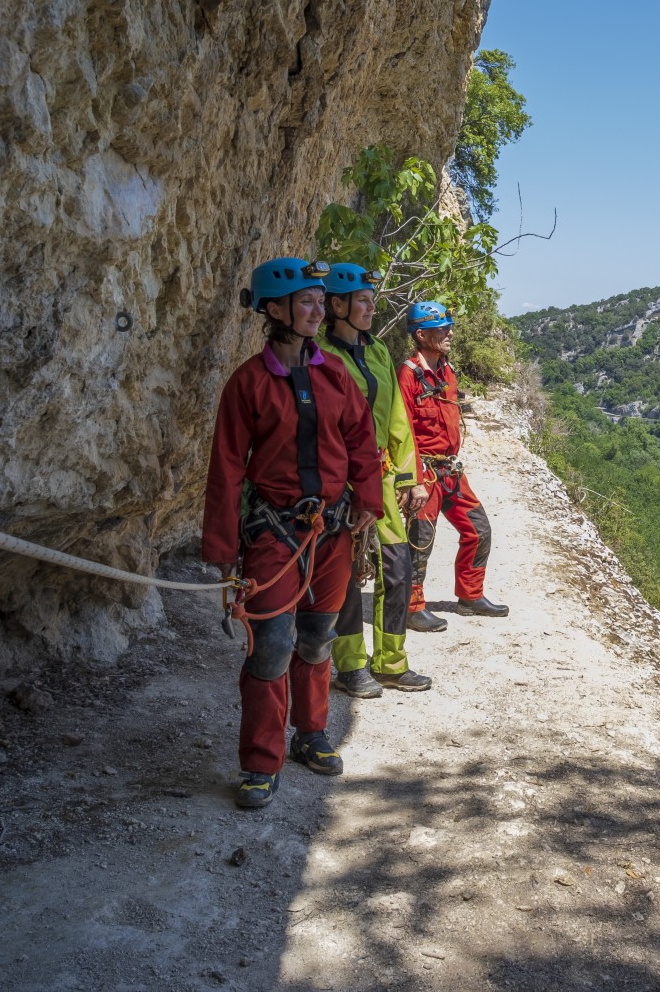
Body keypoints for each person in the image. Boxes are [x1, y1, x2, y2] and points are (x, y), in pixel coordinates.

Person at [203, 258, 383, 809]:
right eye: (304, 301)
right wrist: (223, 550)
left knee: (316, 635)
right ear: (274, 310)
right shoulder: (249, 384)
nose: (314, 309)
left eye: (316, 300)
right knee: (272, 646)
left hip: (333, 527)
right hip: (274, 529)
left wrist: (369, 503)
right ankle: (260, 762)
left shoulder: (334, 375)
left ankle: (310, 734)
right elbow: (227, 466)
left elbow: (360, 440)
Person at [320, 263, 432, 696]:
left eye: (371, 300)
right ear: (338, 305)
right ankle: (350, 665)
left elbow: (398, 419)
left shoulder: (377, 350)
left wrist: (410, 477)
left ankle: (391, 661)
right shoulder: (322, 355)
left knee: (397, 568)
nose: (371, 308)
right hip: (340, 480)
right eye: (362, 301)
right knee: (346, 575)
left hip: (381, 476)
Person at [398, 299, 509, 625]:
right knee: (420, 540)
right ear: (420, 334)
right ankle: (412, 607)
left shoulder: (446, 370)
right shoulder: (408, 375)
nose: (449, 333)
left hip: (450, 470)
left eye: (449, 326)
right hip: (427, 474)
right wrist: (413, 479)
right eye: (441, 328)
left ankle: (470, 596)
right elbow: (401, 430)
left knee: (479, 530)